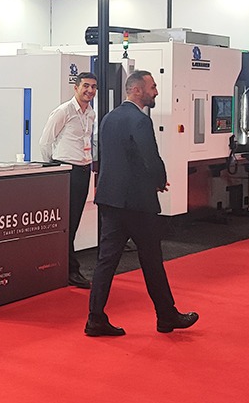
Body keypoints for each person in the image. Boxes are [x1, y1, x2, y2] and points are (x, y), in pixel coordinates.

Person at [85, 70, 198, 337]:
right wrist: (160, 180)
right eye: (153, 87)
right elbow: (150, 156)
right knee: (151, 259)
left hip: (111, 200)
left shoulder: (108, 118)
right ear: (137, 90)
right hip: (137, 202)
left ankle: (95, 318)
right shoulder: (140, 120)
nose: (156, 91)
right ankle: (166, 316)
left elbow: (107, 157)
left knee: (106, 261)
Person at [38, 71, 98, 289]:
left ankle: (66, 266)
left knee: (74, 222)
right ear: (76, 87)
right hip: (66, 170)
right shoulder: (64, 111)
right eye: (86, 86)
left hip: (83, 170)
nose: (90, 90)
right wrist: (53, 168)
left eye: (93, 87)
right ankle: (70, 269)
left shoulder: (91, 113)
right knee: (66, 223)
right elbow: (45, 141)